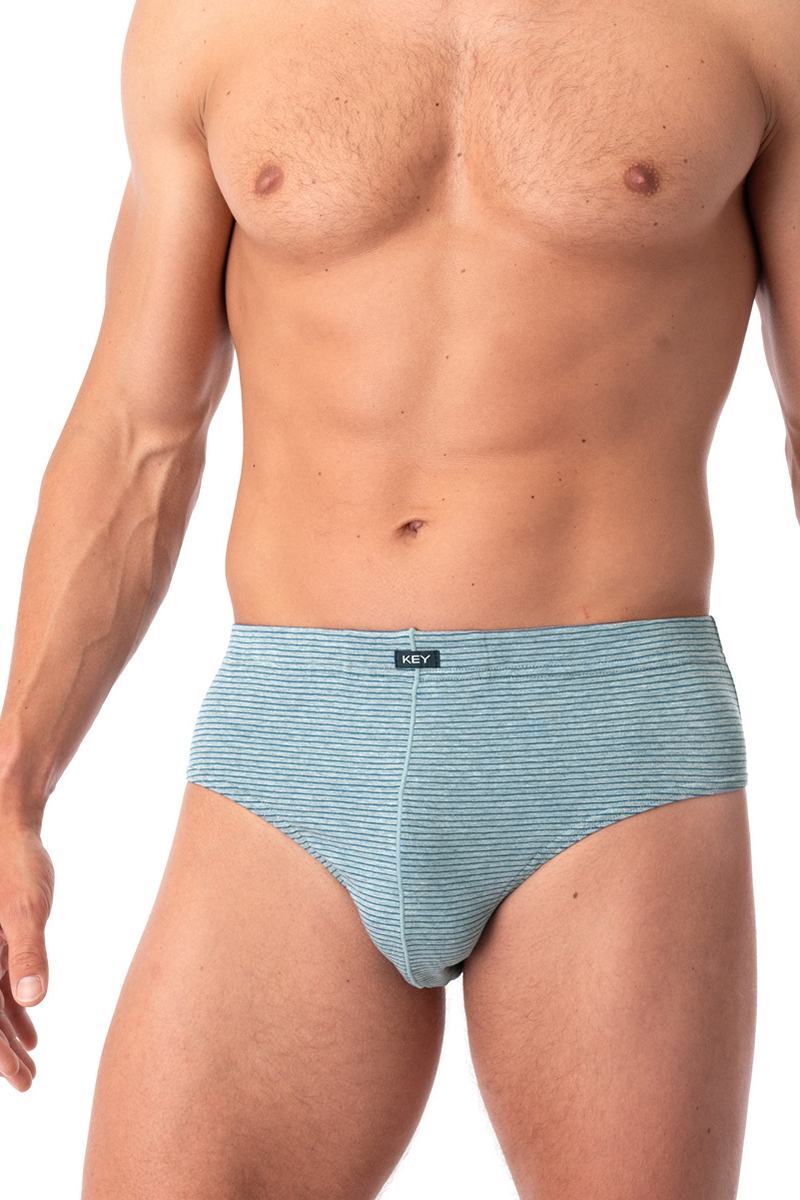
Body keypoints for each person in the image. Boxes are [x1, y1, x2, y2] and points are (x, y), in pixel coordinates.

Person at [1, 0, 797, 1196]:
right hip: (290, 748)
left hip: (607, 745)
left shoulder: (752, 21)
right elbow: (138, 435)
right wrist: (13, 788)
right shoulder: (207, 23)